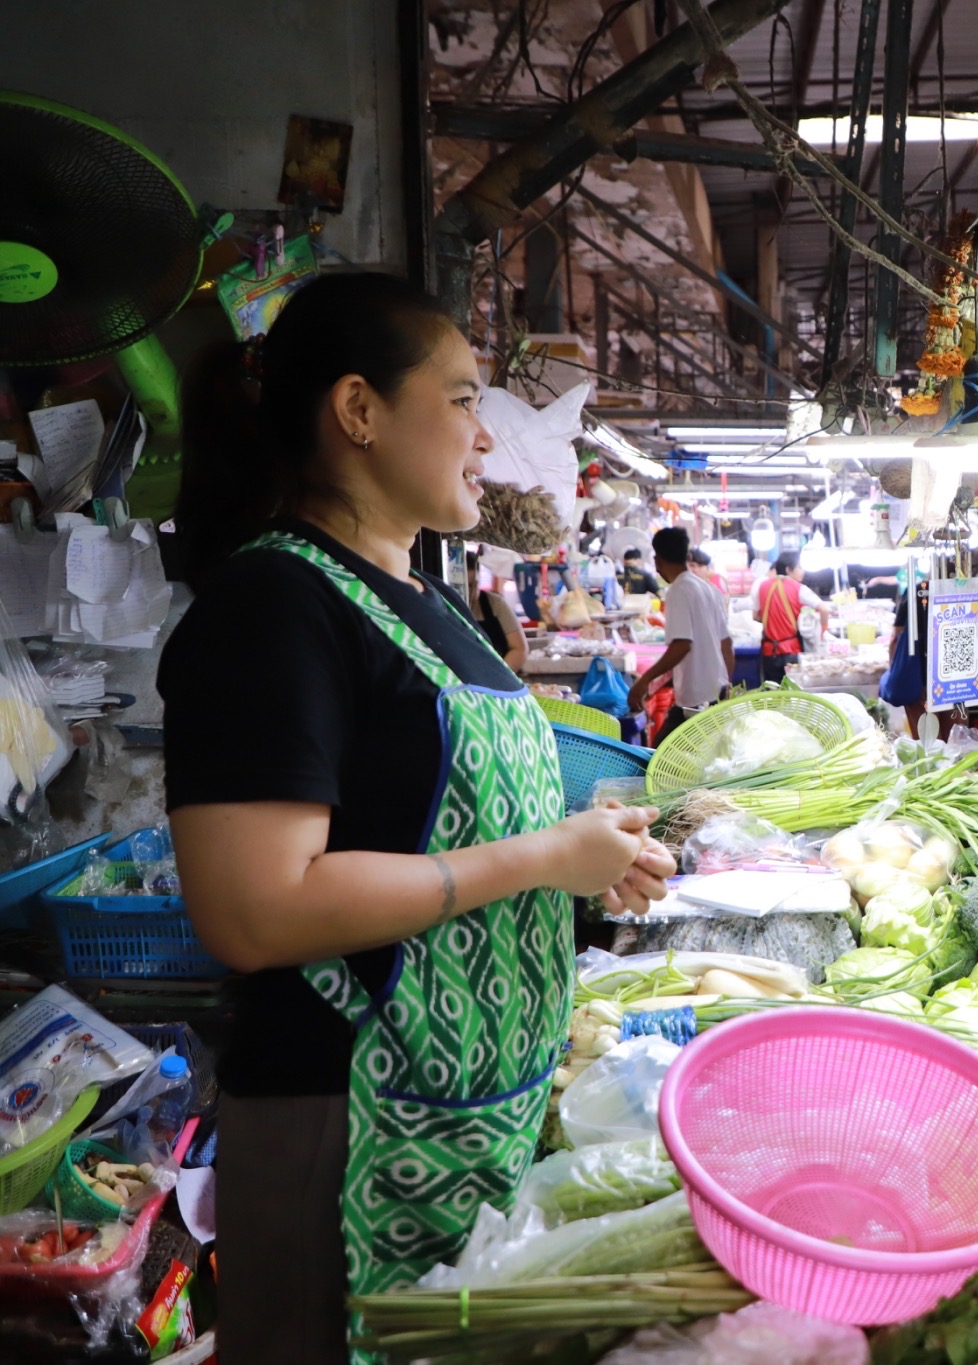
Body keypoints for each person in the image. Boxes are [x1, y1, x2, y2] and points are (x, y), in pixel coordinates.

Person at [159, 273, 675, 1362]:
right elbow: (256, 910)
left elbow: (423, 821)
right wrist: (540, 857)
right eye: (464, 399)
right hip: (344, 1120)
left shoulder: (425, 602)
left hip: (459, 1116)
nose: (485, 438)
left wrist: (585, 864)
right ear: (358, 410)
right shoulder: (275, 605)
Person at [628, 527, 735, 742]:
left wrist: (645, 680)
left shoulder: (678, 590)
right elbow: (727, 644)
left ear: (657, 561)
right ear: (687, 557)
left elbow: (682, 645)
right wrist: (727, 683)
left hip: (694, 702)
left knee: (660, 754)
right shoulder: (708, 589)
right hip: (716, 693)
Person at [752, 552, 829, 684]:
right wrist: (822, 632)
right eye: (799, 567)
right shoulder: (799, 588)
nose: (802, 571)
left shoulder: (762, 586)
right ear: (788, 569)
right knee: (793, 692)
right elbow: (824, 609)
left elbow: (755, 616)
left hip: (768, 652)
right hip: (791, 652)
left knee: (773, 692)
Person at [880, 573, 933, 738]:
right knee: (954, 738)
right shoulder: (964, 594)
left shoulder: (918, 591)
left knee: (926, 741)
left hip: (919, 679)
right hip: (955, 684)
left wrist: (893, 668)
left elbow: (896, 636)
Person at [464, 550, 527, 672]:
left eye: (473, 585)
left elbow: (519, 649)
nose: (470, 592)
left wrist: (497, 676)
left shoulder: (495, 603)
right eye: (465, 586)